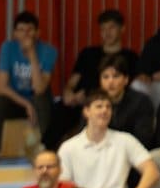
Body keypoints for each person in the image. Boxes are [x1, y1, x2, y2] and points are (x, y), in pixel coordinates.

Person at [58, 91, 156, 188]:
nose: (104, 110)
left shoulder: (125, 140)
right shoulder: (68, 147)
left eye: (108, 107)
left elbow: (152, 171)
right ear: (86, 111)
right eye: (99, 106)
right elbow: (63, 184)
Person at [57, 9, 142, 143]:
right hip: (79, 101)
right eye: (103, 29)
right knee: (60, 109)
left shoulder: (130, 56)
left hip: (110, 102)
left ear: (122, 29)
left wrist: (91, 97)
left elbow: (132, 86)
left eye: (111, 28)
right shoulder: (88, 53)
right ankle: (47, 149)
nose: (107, 33)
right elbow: (72, 82)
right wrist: (68, 93)